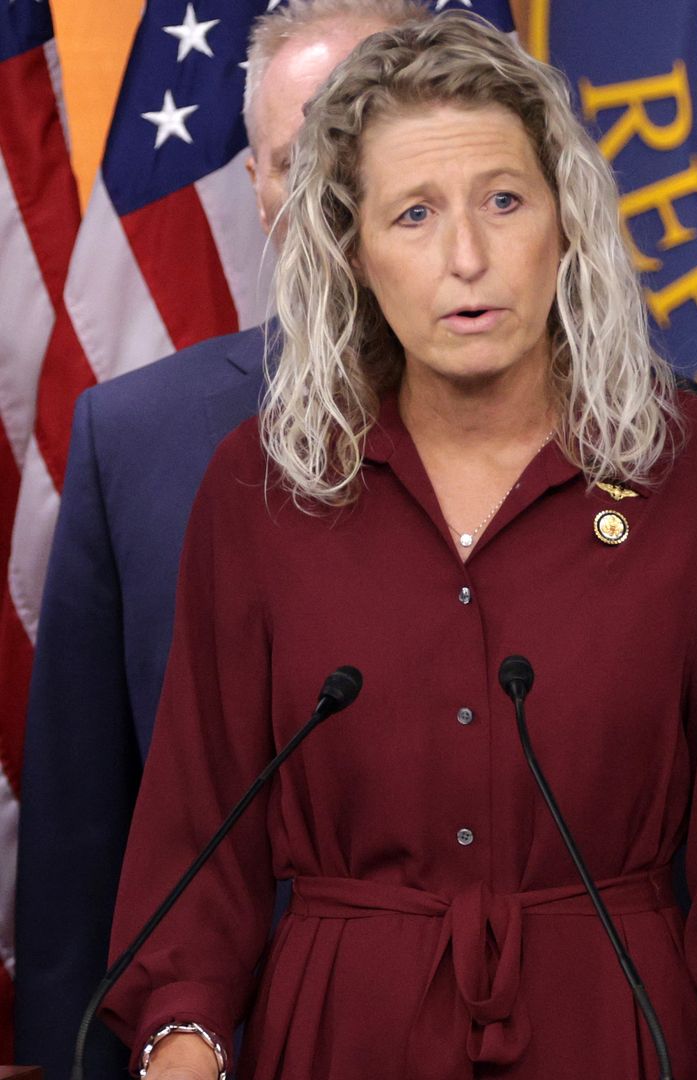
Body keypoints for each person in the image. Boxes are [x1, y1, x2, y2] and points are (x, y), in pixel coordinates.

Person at [99, 15, 697, 1080]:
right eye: (414, 214)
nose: (467, 258)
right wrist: (183, 1038)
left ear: (566, 222)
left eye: (504, 201)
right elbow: (196, 839)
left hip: (609, 1027)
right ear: (353, 251)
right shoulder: (260, 484)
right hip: (338, 1035)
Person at [16, 1, 422, 1074]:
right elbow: (81, 843)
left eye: (369, 147)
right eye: (301, 160)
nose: (340, 198)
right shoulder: (137, 440)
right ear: (256, 188)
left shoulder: (628, 438)